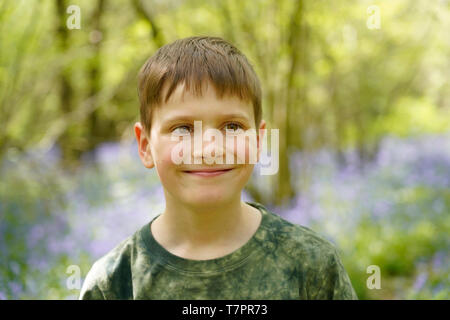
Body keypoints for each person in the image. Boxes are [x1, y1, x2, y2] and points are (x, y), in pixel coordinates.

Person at [79, 36, 358, 300]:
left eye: (232, 127)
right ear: (145, 146)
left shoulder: (312, 265)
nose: (210, 150)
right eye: (183, 129)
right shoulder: (113, 283)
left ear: (259, 141)